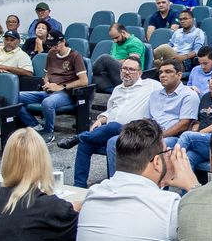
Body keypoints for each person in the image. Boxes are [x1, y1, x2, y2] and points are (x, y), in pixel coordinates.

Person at [62, 57, 159, 187]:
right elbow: (110, 110)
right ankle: (79, 185)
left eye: (131, 69)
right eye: (124, 69)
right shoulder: (117, 89)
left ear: (140, 73)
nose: (127, 72)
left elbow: (170, 85)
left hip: (134, 133)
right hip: (111, 132)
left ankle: (80, 137)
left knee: (113, 126)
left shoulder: (150, 85)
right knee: (85, 144)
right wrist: (101, 119)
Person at [15, 33, 88, 140]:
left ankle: (48, 131)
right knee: (15, 97)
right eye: (50, 45)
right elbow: (47, 75)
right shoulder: (51, 53)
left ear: (63, 42)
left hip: (66, 93)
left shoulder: (75, 56)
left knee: (48, 102)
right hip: (49, 91)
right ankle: (35, 126)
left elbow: (84, 81)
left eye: (55, 45)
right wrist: (47, 83)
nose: (53, 48)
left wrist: (61, 87)